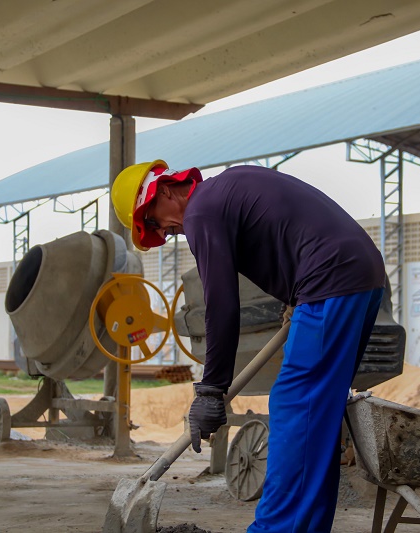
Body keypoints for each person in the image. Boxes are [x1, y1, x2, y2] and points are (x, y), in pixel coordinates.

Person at [111, 160, 385, 533]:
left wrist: (210, 390)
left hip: (330, 280)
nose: (168, 231)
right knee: (316, 417)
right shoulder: (231, 183)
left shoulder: (201, 213)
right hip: (361, 273)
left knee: (295, 407)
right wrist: (295, 295)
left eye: (156, 223)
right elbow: (289, 227)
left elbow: (221, 304)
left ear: (163, 191)